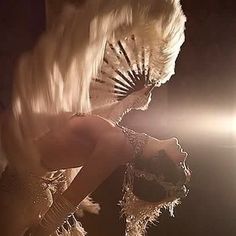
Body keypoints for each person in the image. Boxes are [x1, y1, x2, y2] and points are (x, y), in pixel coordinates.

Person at [0, 0, 188, 235]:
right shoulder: (119, 140)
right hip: (24, 169)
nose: (185, 154)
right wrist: (130, 101)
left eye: (180, 163)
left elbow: (69, 201)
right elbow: (88, 125)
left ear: (160, 164)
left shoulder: (117, 147)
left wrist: (45, 228)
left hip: (23, 183)